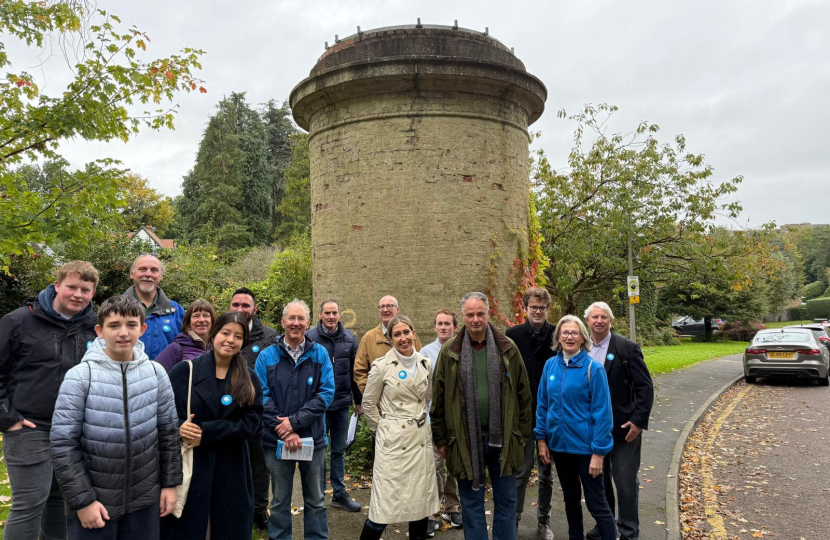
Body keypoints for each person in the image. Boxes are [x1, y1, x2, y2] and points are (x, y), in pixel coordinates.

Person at [50, 295, 182, 540]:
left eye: (131, 325)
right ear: (99, 330)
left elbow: (168, 433)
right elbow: (63, 444)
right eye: (114, 325)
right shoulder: (80, 377)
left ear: (142, 329)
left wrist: (170, 484)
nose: (123, 333)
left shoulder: (156, 373)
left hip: (144, 501)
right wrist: (83, 501)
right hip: (96, 504)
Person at [0, 260, 99, 540]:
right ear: (57, 286)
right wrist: (8, 419)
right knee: (29, 504)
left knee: (61, 502)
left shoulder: (94, 329)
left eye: (85, 289)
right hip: (30, 428)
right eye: (72, 287)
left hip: (73, 431)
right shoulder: (19, 321)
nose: (78, 294)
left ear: (93, 294)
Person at [431, 292, 533, 540]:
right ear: (463, 318)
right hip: (465, 442)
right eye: (470, 314)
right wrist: (443, 440)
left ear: (488, 314)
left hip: (505, 440)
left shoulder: (507, 348)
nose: (475, 319)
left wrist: (523, 434)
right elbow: (439, 400)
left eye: (480, 313)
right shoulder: (449, 352)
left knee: (507, 502)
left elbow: (524, 393)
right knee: (472, 504)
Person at [161, 311, 264, 539]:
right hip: (193, 467)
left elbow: (253, 424)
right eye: (226, 333)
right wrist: (179, 427)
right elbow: (161, 414)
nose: (230, 340)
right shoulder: (184, 372)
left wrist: (206, 433)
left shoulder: (249, 378)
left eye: (238, 337)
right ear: (214, 334)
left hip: (233, 468)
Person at [256, 299, 335, 540]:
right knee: (279, 500)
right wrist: (286, 430)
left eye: (301, 319)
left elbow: (326, 393)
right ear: (282, 322)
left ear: (309, 323)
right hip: (276, 440)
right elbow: (261, 397)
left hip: (313, 440)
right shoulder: (266, 356)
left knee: (317, 499)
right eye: (291, 318)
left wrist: (295, 424)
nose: (296, 323)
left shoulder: (320, 353)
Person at [535, 315, 615, 540]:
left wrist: (599, 453)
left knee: (596, 503)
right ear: (558, 337)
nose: (569, 337)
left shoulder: (593, 369)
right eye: (565, 333)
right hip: (560, 449)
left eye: (575, 333)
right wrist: (541, 439)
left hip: (587, 451)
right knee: (570, 501)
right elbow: (542, 405)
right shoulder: (550, 365)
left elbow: (603, 415)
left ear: (583, 337)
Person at [359, 315, 439, 540]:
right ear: (390, 338)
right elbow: (368, 403)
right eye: (397, 334)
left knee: (420, 506)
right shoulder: (382, 366)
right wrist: (383, 430)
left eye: (406, 332)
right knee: (383, 507)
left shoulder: (426, 363)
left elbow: (426, 399)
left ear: (414, 333)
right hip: (393, 444)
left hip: (420, 441)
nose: (403, 338)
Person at [583, 302, 654, 540]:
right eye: (595, 317)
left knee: (624, 483)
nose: (599, 321)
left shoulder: (626, 347)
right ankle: (605, 524)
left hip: (624, 429)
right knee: (598, 482)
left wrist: (638, 421)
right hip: (593, 430)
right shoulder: (581, 349)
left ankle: (628, 531)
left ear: (610, 321)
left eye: (604, 317)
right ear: (588, 321)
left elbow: (645, 387)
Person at [506, 288, 557, 540]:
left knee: (547, 474)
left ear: (548, 310)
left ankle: (543, 522)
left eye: (543, 308)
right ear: (525, 308)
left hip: (550, 415)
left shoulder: (557, 334)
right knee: (521, 472)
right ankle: (513, 522)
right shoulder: (512, 335)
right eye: (534, 307)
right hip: (522, 415)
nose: (538, 311)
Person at [228, 286, 279, 530]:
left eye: (245, 305)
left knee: (260, 465)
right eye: (235, 305)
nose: (240, 309)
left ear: (254, 309)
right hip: (227, 414)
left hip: (258, 414)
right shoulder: (222, 331)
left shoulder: (270, 336)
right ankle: (233, 509)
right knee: (231, 464)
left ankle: (259, 510)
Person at [305, 299, 362, 512]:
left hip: (341, 405)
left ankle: (339, 493)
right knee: (319, 450)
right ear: (320, 315)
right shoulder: (309, 338)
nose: (331, 317)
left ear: (339, 315)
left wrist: (359, 401)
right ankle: (317, 494)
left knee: (338, 450)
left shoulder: (349, 339)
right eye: (327, 313)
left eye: (334, 313)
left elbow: (355, 372)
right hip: (317, 406)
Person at [419, 308, 463, 535]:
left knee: (454, 466)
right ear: (435, 326)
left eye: (448, 323)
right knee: (434, 466)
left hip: (457, 420)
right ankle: (433, 511)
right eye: (440, 323)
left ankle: (452, 507)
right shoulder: (426, 352)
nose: (444, 327)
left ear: (455, 326)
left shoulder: (462, 349)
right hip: (433, 419)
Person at [354, 295, 422, 394]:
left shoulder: (410, 337)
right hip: (382, 405)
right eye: (382, 307)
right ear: (379, 312)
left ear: (398, 310)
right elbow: (360, 370)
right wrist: (371, 395)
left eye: (389, 306)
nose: (385, 310)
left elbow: (420, 365)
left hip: (409, 401)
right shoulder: (368, 338)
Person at [123, 253, 185, 360]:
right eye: (142, 269)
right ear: (132, 273)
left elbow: (187, 348)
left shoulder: (176, 311)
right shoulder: (115, 308)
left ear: (161, 276)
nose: (148, 274)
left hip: (166, 375)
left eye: (154, 270)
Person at [154, 299, 217, 371]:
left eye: (206, 315)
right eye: (196, 316)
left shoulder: (217, 347)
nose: (201, 320)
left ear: (212, 320)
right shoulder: (177, 348)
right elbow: (154, 374)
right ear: (188, 322)